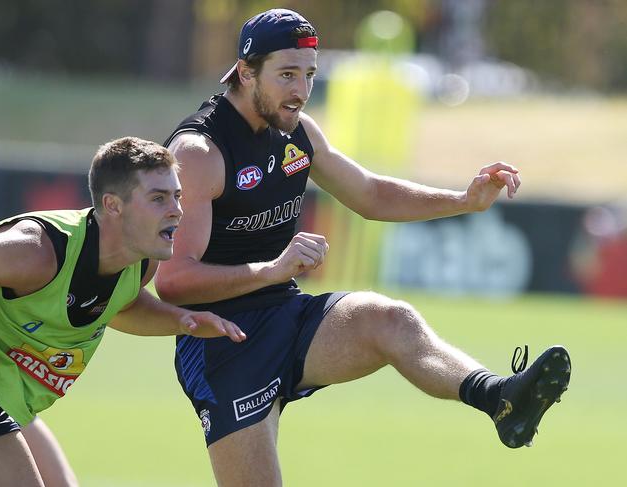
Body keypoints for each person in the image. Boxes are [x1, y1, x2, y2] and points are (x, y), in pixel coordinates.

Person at [156, 9, 571, 486]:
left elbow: (370, 194)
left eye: (309, 75)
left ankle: (499, 396)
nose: (300, 91)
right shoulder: (199, 153)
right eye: (286, 75)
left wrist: (463, 200)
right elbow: (175, 281)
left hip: (285, 316)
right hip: (219, 344)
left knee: (389, 319)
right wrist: (272, 269)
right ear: (246, 71)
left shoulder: (298, 131)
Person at [0, 136, 246, 487]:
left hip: (6, 398)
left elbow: (120, 305)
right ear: (113, 205)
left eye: (177, 196)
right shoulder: (39, 253)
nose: (177, 209)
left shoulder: (142, 262)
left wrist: (182, 320)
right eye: (158, 198)